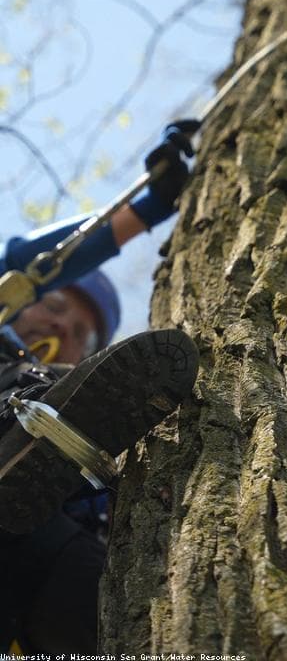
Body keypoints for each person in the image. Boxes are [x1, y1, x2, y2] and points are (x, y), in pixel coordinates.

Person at [0, 122, 200, 652]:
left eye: (83, 336)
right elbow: (38, 260)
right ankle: (22, 430)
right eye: (56, 307)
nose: (63, 328)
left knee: (82, 575)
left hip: (33, 540)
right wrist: (151, 205)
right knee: (19, 377)